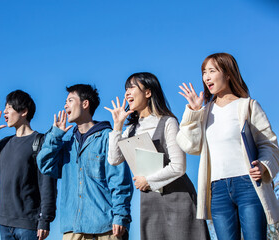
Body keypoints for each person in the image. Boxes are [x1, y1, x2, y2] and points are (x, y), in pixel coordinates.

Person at [176, 53, 279, 240]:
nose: (206, 77)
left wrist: (263, 165)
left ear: (228, 74)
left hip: (249, 184)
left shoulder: (247, 106)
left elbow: (269, 143)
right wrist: (193, 112)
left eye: (212, 71)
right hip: (218, 190)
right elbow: (190, 145)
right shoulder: (204, 112)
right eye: (204, 72)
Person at [105, 72, 210, 240]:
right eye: (126, 89)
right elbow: (113, 159)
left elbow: (179, 166)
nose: (127, 93)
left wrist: (148, 181)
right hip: (150, 202)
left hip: (178, 199)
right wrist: (117, 127)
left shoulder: (168, 122)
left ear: (148, 92)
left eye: (132, 87)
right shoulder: (131, 130)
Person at [37, 84, 133, 240]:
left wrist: (121, 214)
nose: (65, 105)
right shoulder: (65, 141)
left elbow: (119, 179)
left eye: (70, 100)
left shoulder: (108, 137)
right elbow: (45, 165)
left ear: (85, 104)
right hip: (73, 229)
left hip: (106, 228)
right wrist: (55, 135)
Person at [0, 90, 57, 240]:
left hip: (29, 225)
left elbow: (47, 183)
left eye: (9, 107)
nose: (5, 112)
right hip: (4, 223)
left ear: (23, 111)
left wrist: (45, 220)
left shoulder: (40, 142)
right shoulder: (4, 144)